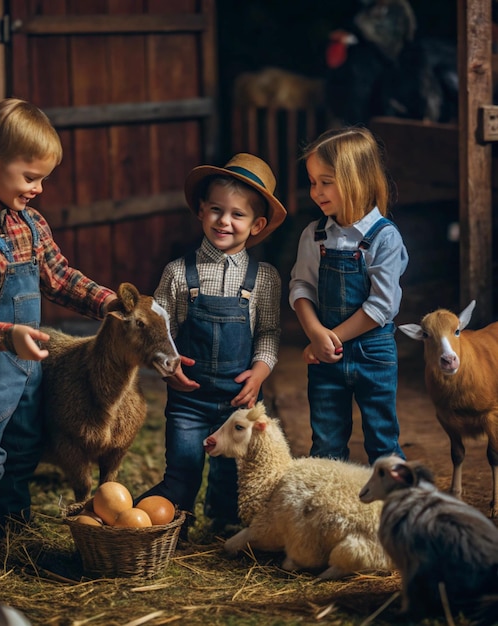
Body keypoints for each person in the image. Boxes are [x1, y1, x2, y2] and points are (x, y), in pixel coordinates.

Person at [0, 98, 117, 578]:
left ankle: (10, 524)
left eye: (43, 178)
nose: (39, 188)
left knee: (24, 445)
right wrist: (6, 334)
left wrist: (107, 303)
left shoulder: (29, 222)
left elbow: (58, 275)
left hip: (26, 367)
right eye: (31, 177)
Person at [136, 153, 287, 536]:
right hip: (188, 399)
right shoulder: (177, 273)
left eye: (238, 215)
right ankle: (173, 528)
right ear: (202, 210)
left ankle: (222, 531)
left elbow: (268, 333)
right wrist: (165, 365)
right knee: (183, 469)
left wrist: (260, 371)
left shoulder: (265, 278)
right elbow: (158, 329)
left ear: (257, 225)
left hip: (237, 403)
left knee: (229, 478)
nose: (225, 221)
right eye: (217, 210)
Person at [289, 126, 408, 465]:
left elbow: (382, 306)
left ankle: (396, 512)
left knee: (383, 443)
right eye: (312, 181)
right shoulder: (315, 235)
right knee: (326, 445)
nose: (316, 191)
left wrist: (328, 340)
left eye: (326, 181)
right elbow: (301, 287)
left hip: (374, 355)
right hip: (327, 361)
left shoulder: (384, 238)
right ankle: (329, 515)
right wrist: (314, 332)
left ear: (358, 178)